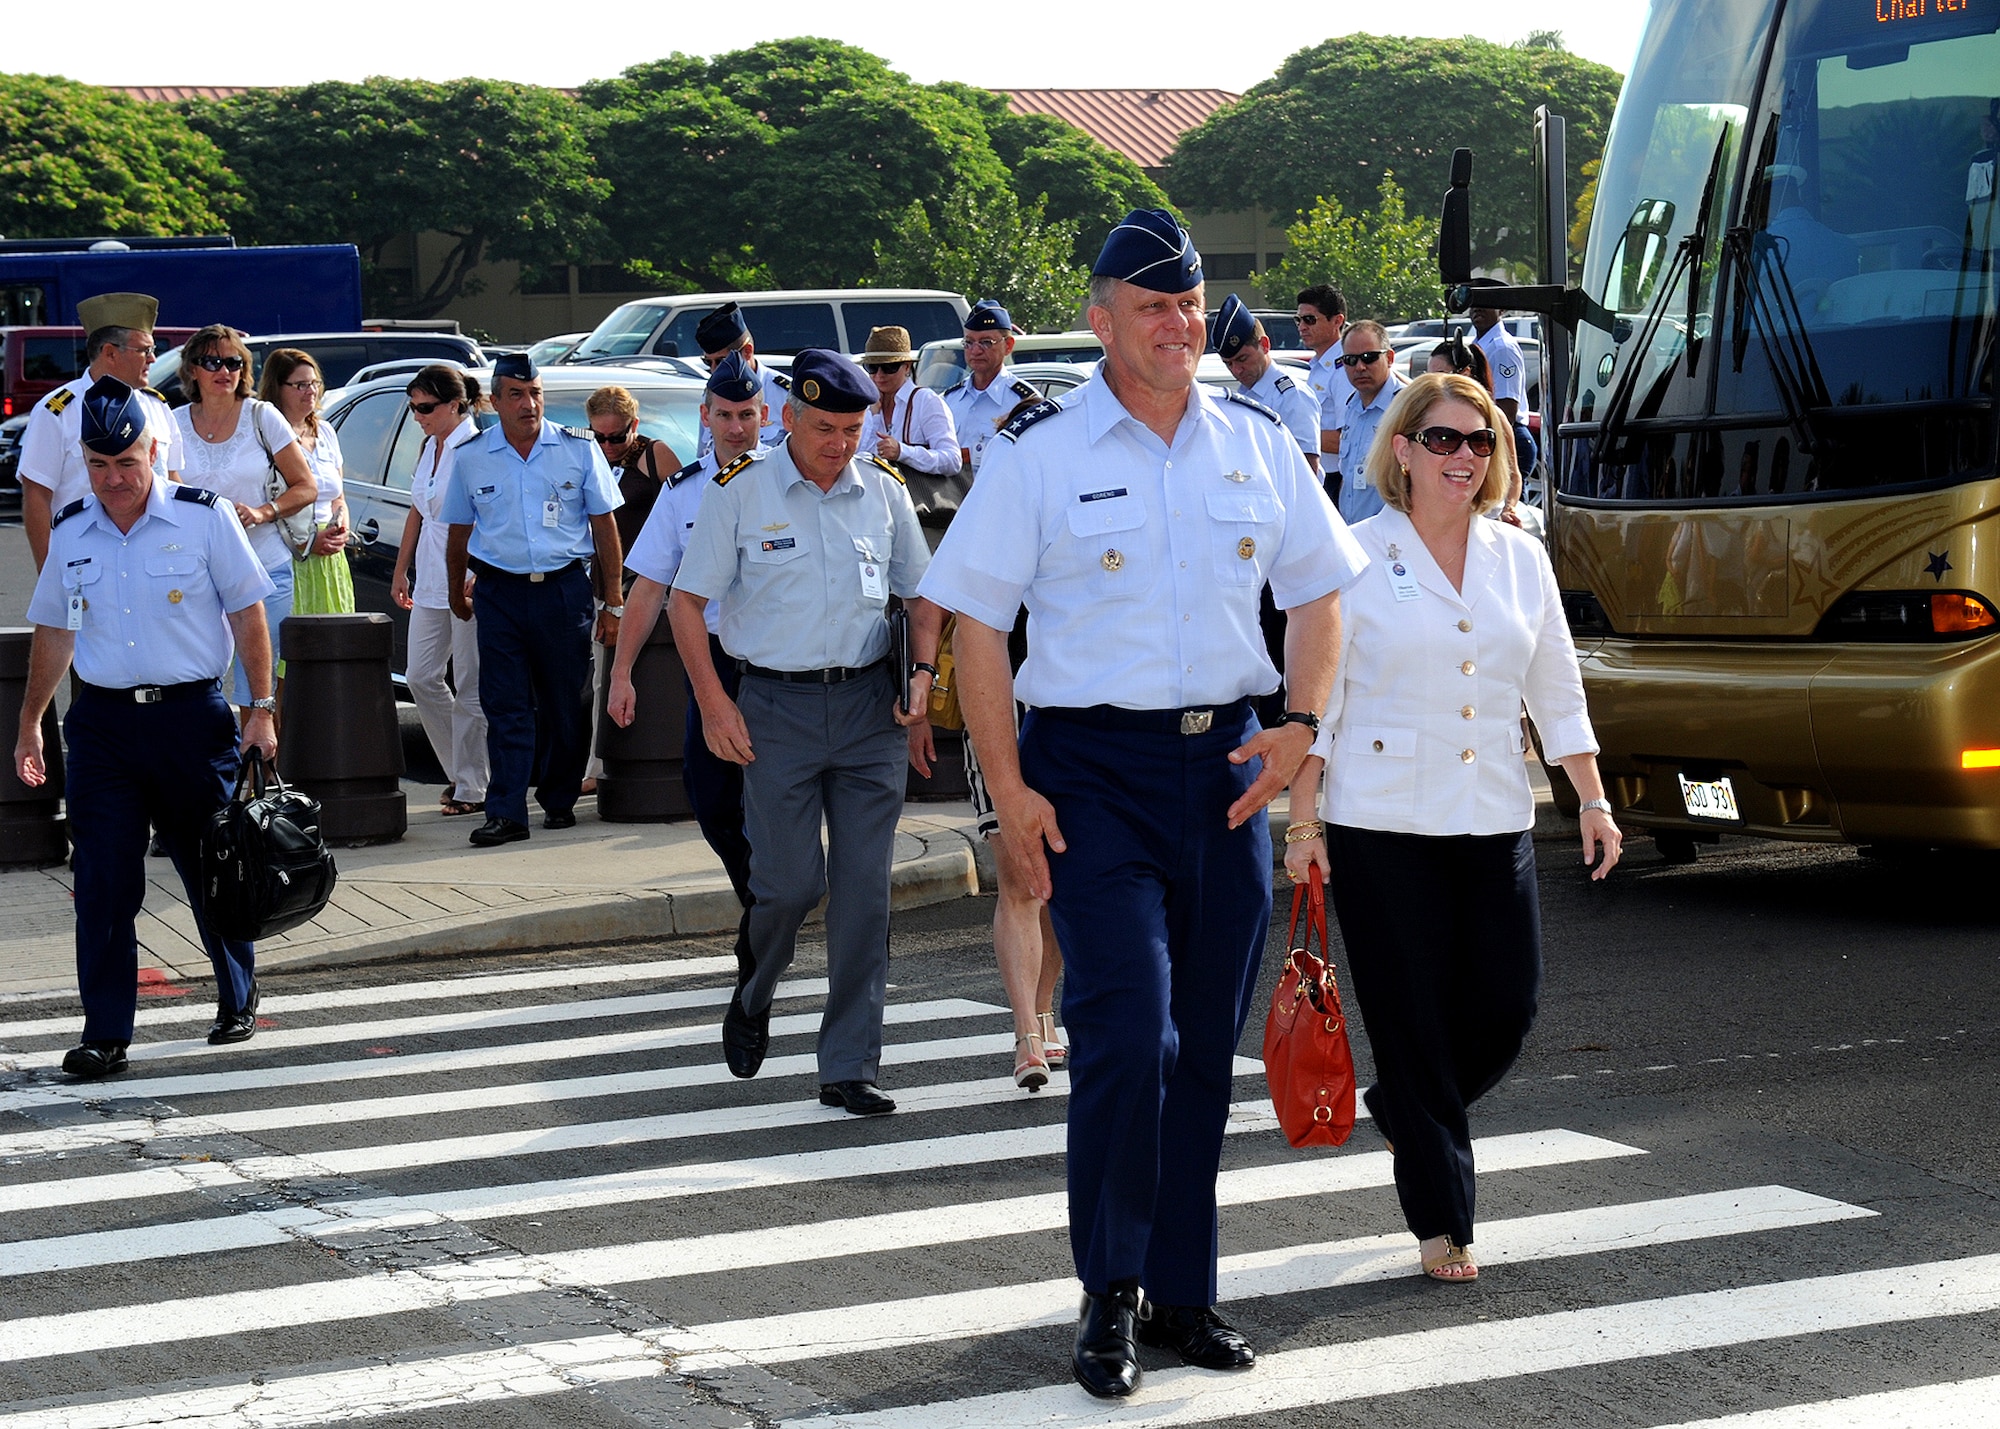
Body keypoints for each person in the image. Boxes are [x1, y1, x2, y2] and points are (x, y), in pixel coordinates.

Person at [921, 209, 1365, 1399]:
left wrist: (1298, 728)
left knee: (1201, 1049)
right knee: (1129, 1033)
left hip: (1223, 768)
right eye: (1154, 307)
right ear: (1100, 317)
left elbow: (1319, 593)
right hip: (1089, 776)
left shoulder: (1258, 443)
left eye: (1189, 304)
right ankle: (1109, 1290)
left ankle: (1183, 1291)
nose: (1180, 326)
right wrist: (1006, 789)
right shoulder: (1041, 452)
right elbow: (975, 622)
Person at [1283, 371, 1622, 1284]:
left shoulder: (1521, 556)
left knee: (1506, 1007)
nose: (1464, 456)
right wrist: (1302, 822)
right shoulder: (1351, 554)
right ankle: (1443, 1220)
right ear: (1402, 448)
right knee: (1412, 1019)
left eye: (1481, 441)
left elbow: (1555, 681)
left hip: (1492, 815)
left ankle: (1405, 1106)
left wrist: (1589, 795)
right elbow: (1322, 700)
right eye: (1444, 439)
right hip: (1379, 819)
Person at [667, 349, 940, 1117]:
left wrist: (923, 677)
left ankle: (849, 1064)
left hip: (867, 713)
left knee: (864, 898)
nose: (839, 443)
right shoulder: (740, 493)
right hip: (774, 712)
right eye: (825, 427)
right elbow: (687, 605)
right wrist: (716, 705)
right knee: (787, 887)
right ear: (788, 418)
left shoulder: (884, 494)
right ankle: (753, 992)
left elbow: (922, 598)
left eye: (853, 428)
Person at [13, 377, 279, 1077]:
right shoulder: (72, 529)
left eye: (126, 463)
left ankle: (236, 994)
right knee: (101, 880)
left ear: (155, 450)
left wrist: (261, 708)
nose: (114, 480)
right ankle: (105, 1031)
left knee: (211, 867)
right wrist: (31, 722)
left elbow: (249, 614)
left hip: (192, 719)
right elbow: (54, 631)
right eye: (99, 466)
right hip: (101, 726)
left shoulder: (204, 517)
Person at [607, 353, 764, 976]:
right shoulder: (685, 490)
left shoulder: (787, 477)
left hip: (783, 662)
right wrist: (621, 673)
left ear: (764, 415)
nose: (735, 428)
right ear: (705, 417)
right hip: (715, 663)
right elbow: (648, 588)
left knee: (776, 798)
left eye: (746, 415)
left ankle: (769, 914)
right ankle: (760, 901)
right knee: (711, 794)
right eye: (723, 415)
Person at [442, 353, 623, 846]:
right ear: (495, 401)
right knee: (506, 705)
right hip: (499, 592)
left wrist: (613, 601)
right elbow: (458, 532)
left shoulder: (576, 450)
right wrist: (456, 590)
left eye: (536, 393)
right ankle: (506, 811)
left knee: (567, 702)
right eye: (517, 395)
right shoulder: (473, 455)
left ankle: (559, 798)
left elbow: (604, 526)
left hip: (563, 591)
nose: (529, 404)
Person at [171, 325, 317, 719]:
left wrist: (261, 512)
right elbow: (164, 492)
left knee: (258, 683)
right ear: (192, 370)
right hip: (194, 574)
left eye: (233, 362)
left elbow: (306, 487)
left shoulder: (262, 416)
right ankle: (211, 767)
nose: (224, 370)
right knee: (196, 676)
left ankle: (258, 772)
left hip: (263, 569)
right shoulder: (173, 423)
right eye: (212, 361)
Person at [18, 291, 179, 572]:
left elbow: (174, 483)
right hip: (87, 561)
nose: (153, 359)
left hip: (156, 561)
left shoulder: (157, 407)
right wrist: (51, 577)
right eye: (145, 350)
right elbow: (36, 497)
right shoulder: (58, 411)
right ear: (110, 353)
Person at [390, 366, 489, 817]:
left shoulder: (478, 446)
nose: (418, 416)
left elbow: (492, 513)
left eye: (425, 408)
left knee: (469, 681)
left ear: (455, 404)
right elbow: (417, 510)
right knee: (421, 676)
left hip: (466, 574)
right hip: (430, 574)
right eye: (413, 408)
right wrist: (400, 568)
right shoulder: (430, 445)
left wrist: (482, 571)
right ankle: (461, 769)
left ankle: (471, 784)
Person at [582, 385, 687, 791]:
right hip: (605, 583)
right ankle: (596, 765)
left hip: (651, 584)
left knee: (659, 673)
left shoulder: (654, 455)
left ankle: (664, 754)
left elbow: (684, 511)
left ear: (634, 426)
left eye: (616, 436)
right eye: (598, 436)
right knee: (602, 677)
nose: (607, 445)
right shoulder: (589, 457)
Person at [259, 350, 353, 617]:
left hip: (330, 556)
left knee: (332, 641)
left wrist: (341, 528)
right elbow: (265, 502)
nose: (311, 391)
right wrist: (309, 542)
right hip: (288, 554)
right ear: (277, 388)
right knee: (289, 643)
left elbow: (338, 497)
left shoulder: (325, 431)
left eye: (315, 383)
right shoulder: (265, 436)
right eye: (300, 385)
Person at [857, 325, 962, 525]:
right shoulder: (868, 405)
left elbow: (952, 460)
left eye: (889, 367)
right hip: (877, 511)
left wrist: (903, 452)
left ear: (906, 367)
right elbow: (861, 457)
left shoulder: (926, 401)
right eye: (872, 367)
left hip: (923, 513)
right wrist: (875, 415)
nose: (879, 375)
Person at [1214, 292, 1321, 476]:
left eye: (1243, 359)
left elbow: (1307, 468)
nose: (1237, 370)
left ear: (1264, 345)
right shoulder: (1244, 395)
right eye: (1229, 364)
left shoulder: (1292, 396)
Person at [1429, 335, 1525, 528]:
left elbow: (1513, 474)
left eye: (1441, 374)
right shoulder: (1427, 417)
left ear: (1465, 373)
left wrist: (1509, 509)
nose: (1435, 382)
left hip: (1486, 518)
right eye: (1428, 376)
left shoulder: (1493, 415)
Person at [940, 299, 1041, 476]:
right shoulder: (949, 400)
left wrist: (972, 455)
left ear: (1008, 345)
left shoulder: (1024, 402)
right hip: (952, 500)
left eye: (986, 342)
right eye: (969, 342)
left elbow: (1035, 458)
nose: (975, 351)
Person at [1333, 320, 1407, 525]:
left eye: (1369, 357)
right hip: (1354, 532)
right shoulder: (1351, 407)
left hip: (1392, 537)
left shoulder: (1406, 409)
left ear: (1390, 357)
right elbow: (1347, 475)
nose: (1360, 367)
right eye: (1350, 360)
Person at [694, 302, 790, 452]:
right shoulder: (712, 393)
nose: (714, 370)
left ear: (747, 352)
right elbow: (704, 452)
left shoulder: (786, 395)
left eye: (721, 361)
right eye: (708, 362)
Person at [1296, 282, 1353, 497]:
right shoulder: (1319, 365)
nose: (1302, 326)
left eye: (1310, 319)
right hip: (1320, 477)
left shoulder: (1344, 369)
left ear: (1337, 321)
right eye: (1298, 320)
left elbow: (1347, 439)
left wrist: (1295, 435)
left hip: (1337, 479)